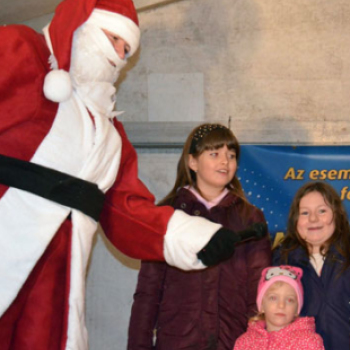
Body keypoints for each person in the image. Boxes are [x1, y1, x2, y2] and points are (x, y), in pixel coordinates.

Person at [0, 1, 267, 349]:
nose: (119, 56)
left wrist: (194, 238)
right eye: (113, 40)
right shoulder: (19, 50)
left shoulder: (111, 136)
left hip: (58, 286)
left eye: (127, 50)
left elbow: (126, 212)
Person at [127, 123, 271, 350]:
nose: (225, 161)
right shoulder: (166, 216)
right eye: (214, 154)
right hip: (178, 341)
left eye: (231, 155)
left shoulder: (250, 218)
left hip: (234, 342)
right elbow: (148, 292)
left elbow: (259, 290)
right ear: (192, 161)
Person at [273, 182, 350, 350]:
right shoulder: (280, 262)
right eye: (305, 213)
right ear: (296, 220)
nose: (313, 219)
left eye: (322, 211)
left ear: (336, 215)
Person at [234, 265, 325, 350]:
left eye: (290, 300)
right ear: (262, 305)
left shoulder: (310, 342)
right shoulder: (245, 343)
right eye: (273, 298)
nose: (281, 305)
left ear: (297, 309)